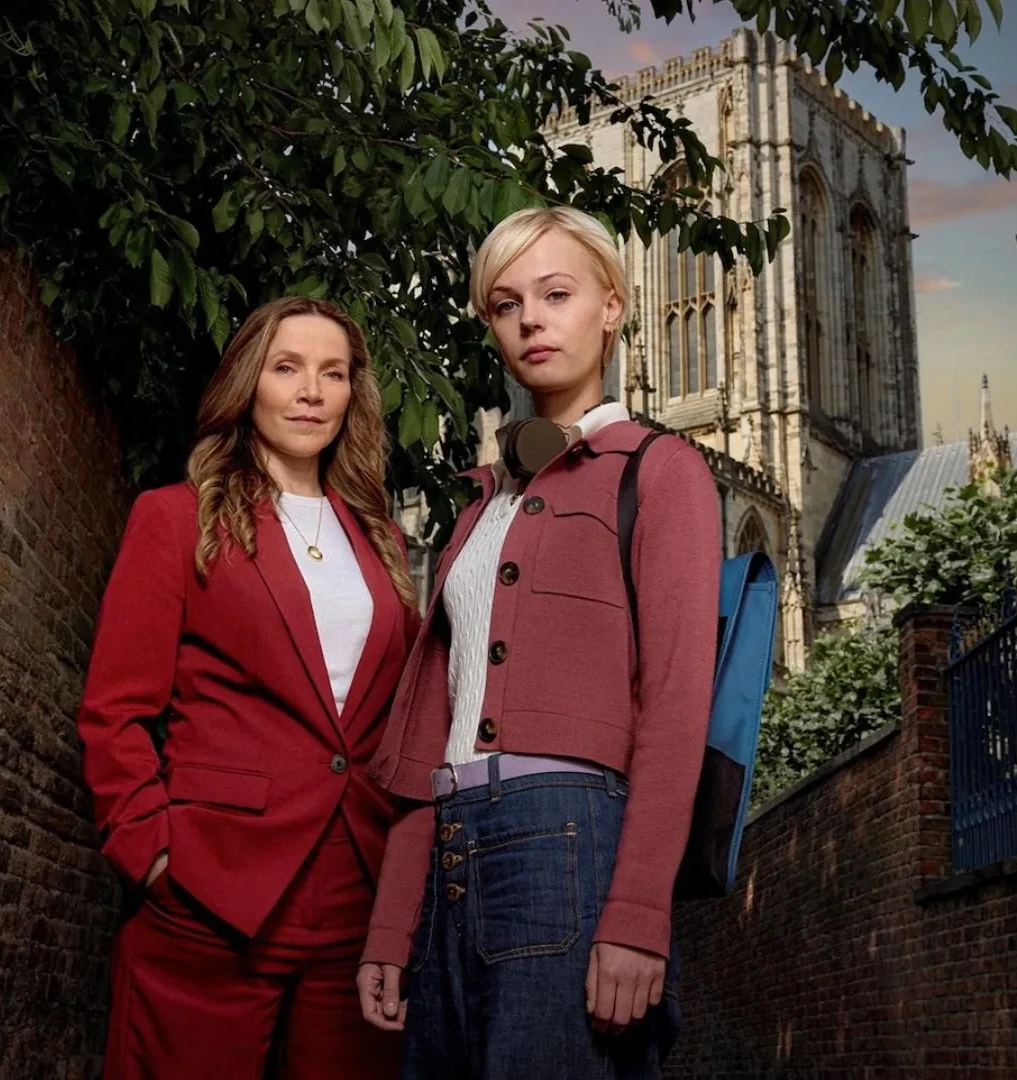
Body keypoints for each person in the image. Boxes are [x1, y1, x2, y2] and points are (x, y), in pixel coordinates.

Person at [355, 206, 722, 1079]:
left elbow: (674, 706)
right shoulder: (479, 508)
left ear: (613, 307)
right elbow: (431, 733)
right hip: (449, 855)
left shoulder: (659, 470)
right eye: (506, 302)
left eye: (557, 294)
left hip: (568, 843)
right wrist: (391, 925)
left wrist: (637, 915)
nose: (531, 319)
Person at [78, 296, 420, 1079]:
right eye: (287, 367)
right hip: (211, 891)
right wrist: (153, 854)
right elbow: (115, 710)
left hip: (353, 906)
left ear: (351, 396)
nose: (310, 392)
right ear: (247, 383)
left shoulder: (384, 543)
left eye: (332, 374)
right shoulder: (175, 518)